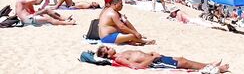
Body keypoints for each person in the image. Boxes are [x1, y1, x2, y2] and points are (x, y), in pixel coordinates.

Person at [96, 46, 229, 72]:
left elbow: (138, 56)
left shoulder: (121, 53)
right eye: (106, 49)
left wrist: (150, 53)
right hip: (154, 63)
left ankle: (208, 64)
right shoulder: (119, 58)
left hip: (155, 58)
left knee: (182, 59)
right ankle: (218, 69)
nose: (109, 47)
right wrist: (152, 58)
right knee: (184, 63)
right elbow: (136, 67)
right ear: (107, 55)